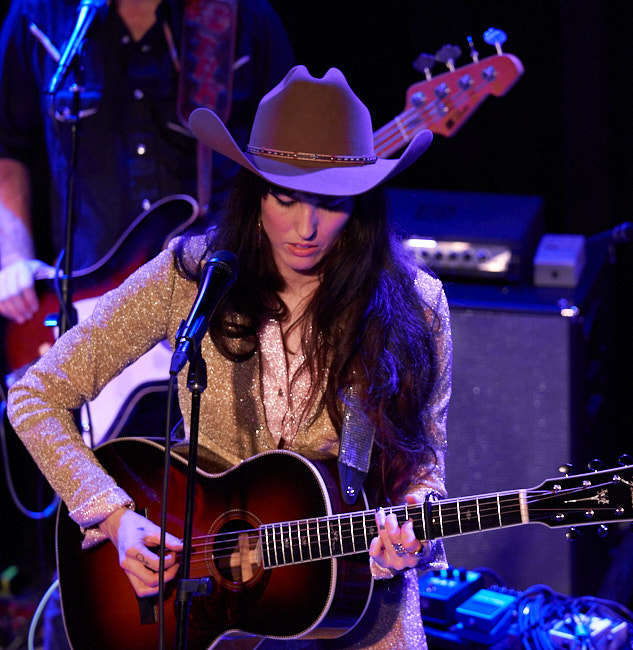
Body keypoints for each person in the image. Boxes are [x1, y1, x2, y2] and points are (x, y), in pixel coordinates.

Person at [6, 65, 451, 648]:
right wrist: (113, 516)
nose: (307, 227)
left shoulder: (415, 303)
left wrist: (414, 532)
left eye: (331, 203)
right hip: (209, 611)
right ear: (255, 190)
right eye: (285, 197)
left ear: (362, 203)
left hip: (362, 609)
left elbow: (425, 464)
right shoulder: (192, 275)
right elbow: (34, 393)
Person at [0, 0, 296, 326]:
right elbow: (7, 147)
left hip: (214, 298)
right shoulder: (38, 13)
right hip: (88, 303)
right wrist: (14, 258)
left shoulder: (244, 16)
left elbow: (289, 158)